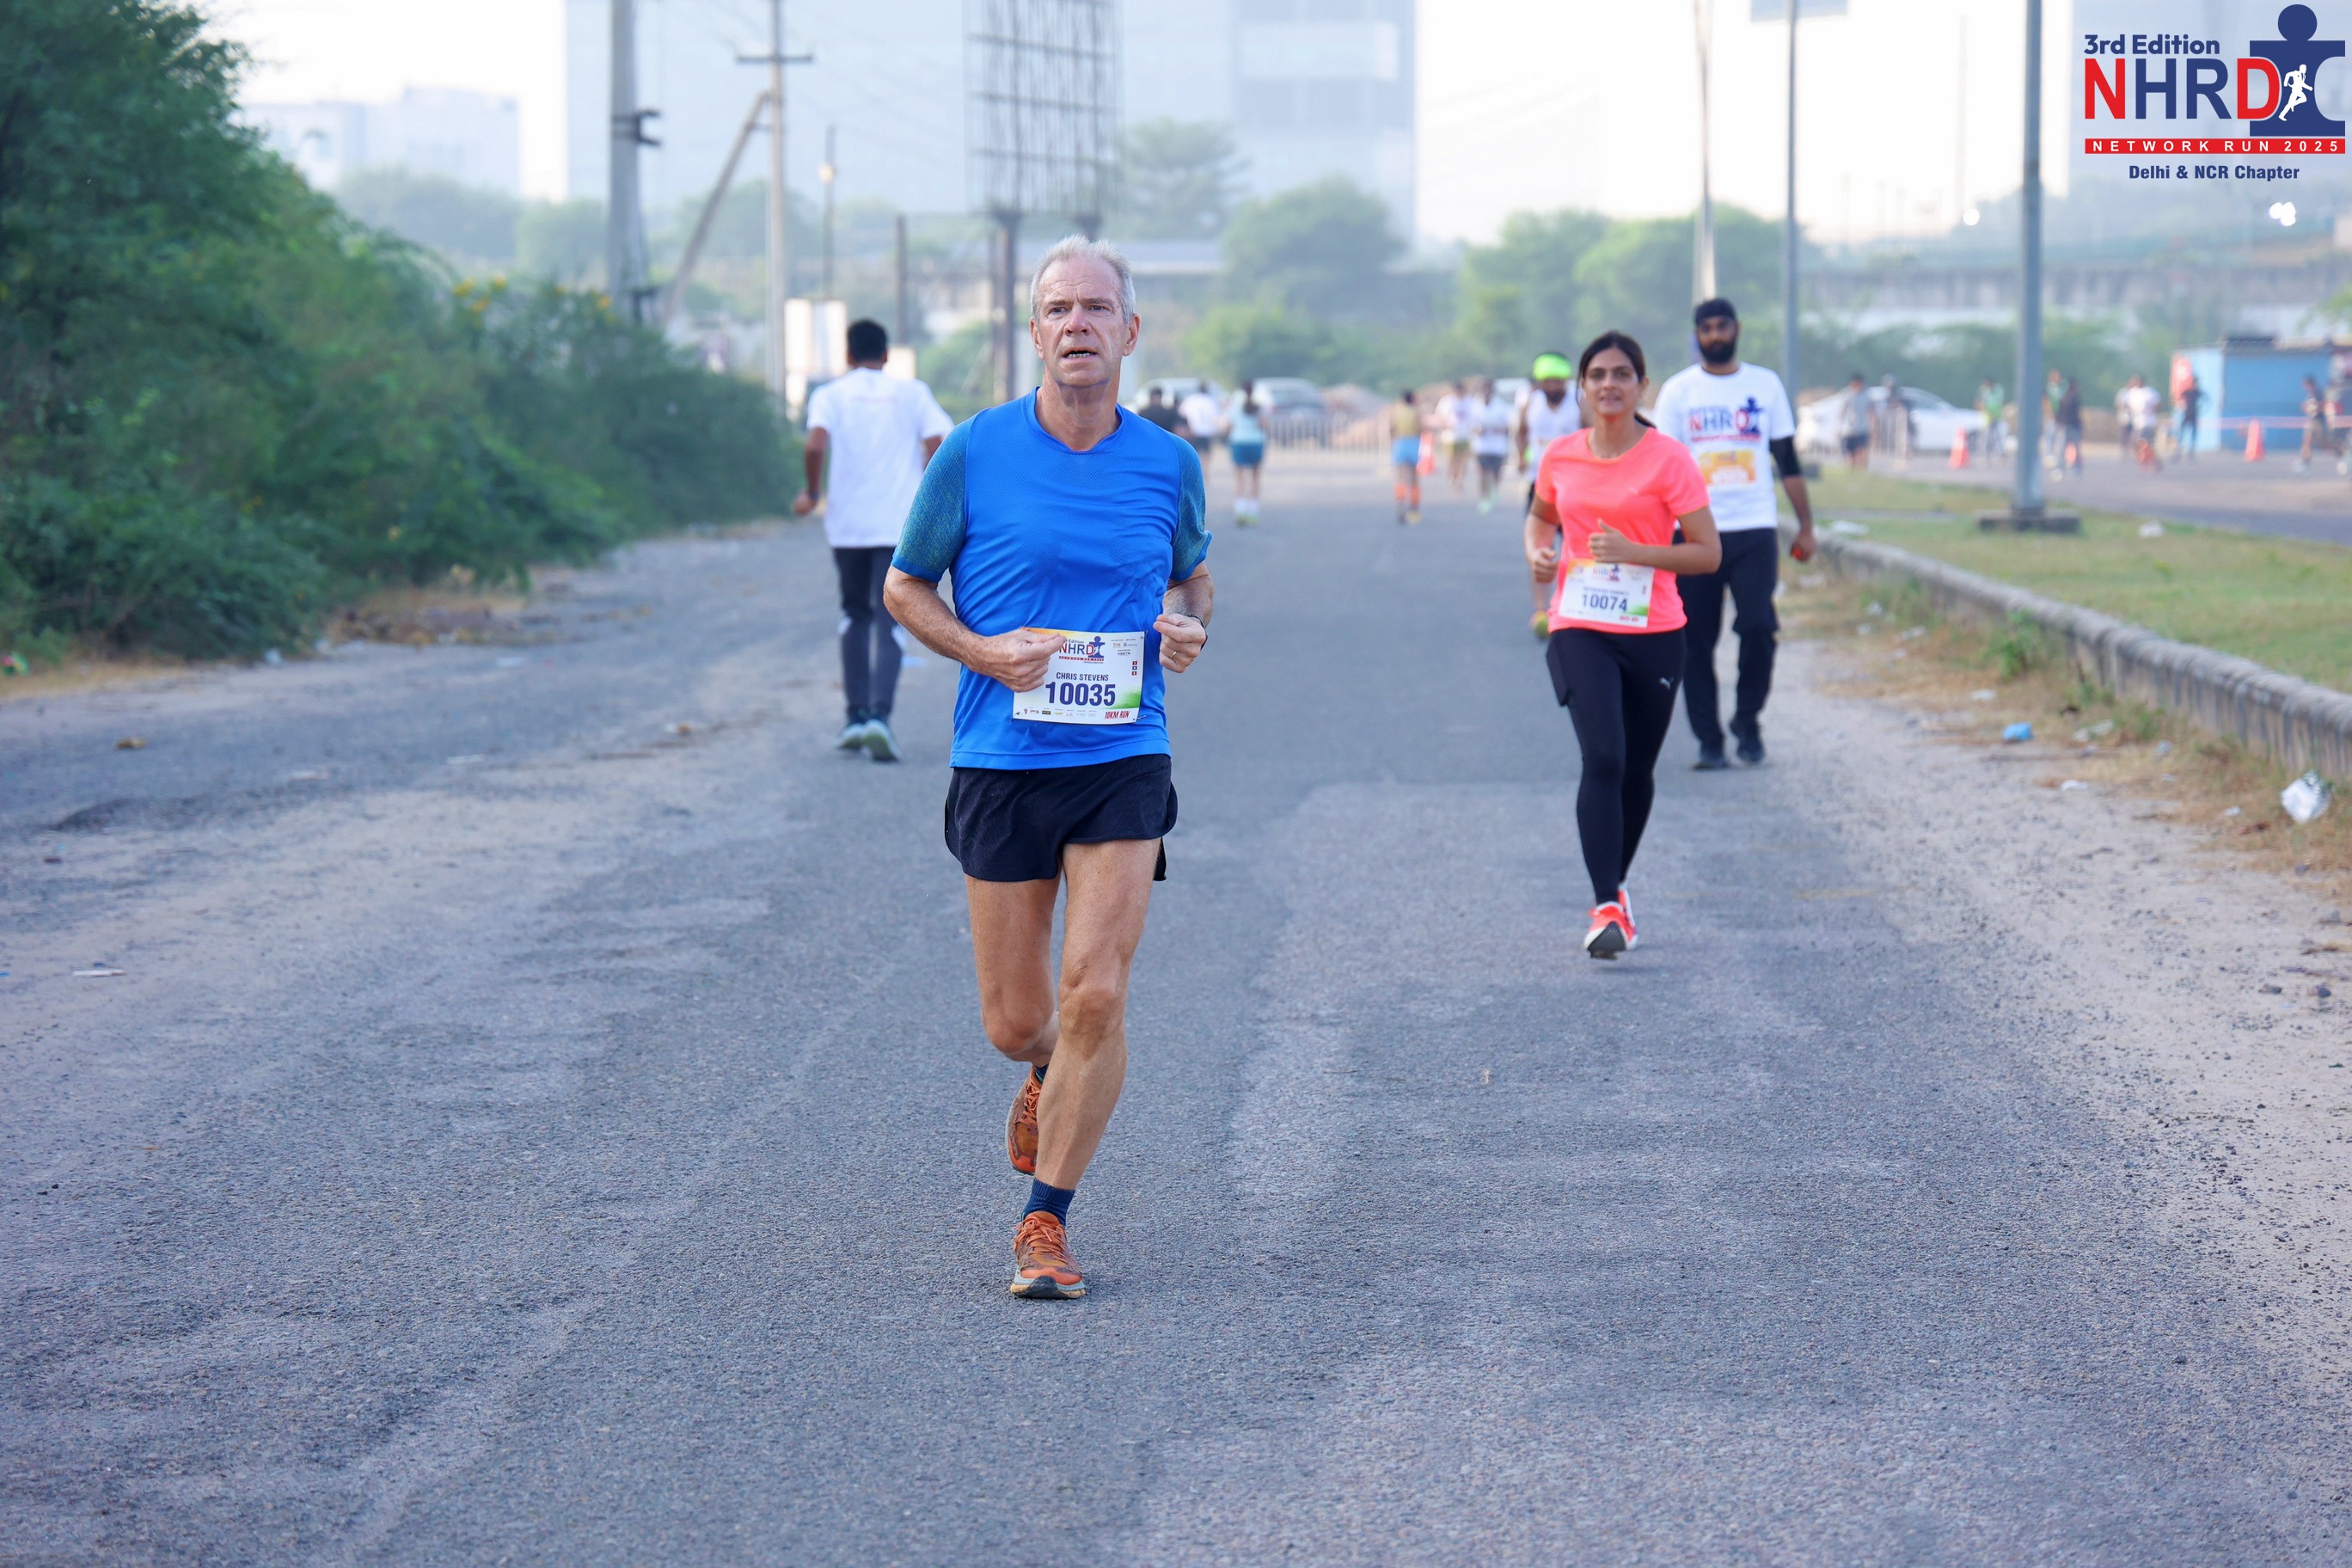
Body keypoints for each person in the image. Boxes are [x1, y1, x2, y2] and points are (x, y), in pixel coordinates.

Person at [884, 236, 1213, 1301]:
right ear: (1033, 332)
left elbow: (1193, 578)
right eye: (1059, 308)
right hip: (1003, 754)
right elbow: (904, 586)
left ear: (1131, 331)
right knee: (1021, 1021)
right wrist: (984, 652)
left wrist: (1186, 623)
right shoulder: (974, 451)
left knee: (1097, 995)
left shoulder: (1169, 463)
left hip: (1123, 750)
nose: (1078, 324)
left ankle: (1046, 1220)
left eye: (1097, 308)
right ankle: (1041, 1071)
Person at [1524, 330, 1720, 959]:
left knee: (1636, 769)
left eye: (1622, 374)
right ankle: (1606, 903)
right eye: (1598, 375)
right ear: (1582, 387)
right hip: (1580, 622)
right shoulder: (1560, 455)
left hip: (1655, 631)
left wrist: (1637, 552)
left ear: (1641, 386)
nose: (1609, 384)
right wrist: (1538, 552)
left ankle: (1617, 890)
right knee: (1603, 757)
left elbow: (1707, 553)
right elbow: (1540, 517)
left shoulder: (1669, 459)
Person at [1652, 297, 1816, 770]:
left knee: (1760, 627)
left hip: (1754, 528)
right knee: (1694, 642)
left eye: (1722, 326)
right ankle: (1709, 739)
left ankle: (1748, 720)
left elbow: (1787, 460)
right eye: (1706, 328)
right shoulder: (1679, 392)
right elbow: (1663, 469)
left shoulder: (1765, 385)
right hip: (1694, 534)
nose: (1715, 335)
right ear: (1697, 334)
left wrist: (1806, 526)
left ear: (1737, 328)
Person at [796, 318, 953, 762]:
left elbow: (815, 446)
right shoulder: (912, 393)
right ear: (886, 355)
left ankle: (854, 717)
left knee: (854, 615)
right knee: (892, 620)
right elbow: (940, 442)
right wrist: (931, 492)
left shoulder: (830, 395)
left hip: (848, 526)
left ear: (848, 355)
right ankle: (880, 718)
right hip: (899, 524)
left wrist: (812, 493)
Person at [1515, 352, 1583, 637]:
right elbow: (1521, 432)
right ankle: (1540, 609)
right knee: (1539, 548)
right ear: (1540, 382)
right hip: (1540, 485)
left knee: (1577, 548)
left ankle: (1573, 605)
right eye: (1547, 381)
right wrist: (1522, 456)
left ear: (1566, 379)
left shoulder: (1579, 403)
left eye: (1557, 380)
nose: (1553, 386)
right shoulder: (1531, 403)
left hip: (1575, 487)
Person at [1470, 377, 1515, 514]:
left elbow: (1509, 425)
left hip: (1497, 446)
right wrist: (1477, 430)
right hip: (1481, 446)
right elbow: (1471, 424)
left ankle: (1494, 492)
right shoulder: (1475, 405)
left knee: (1496, 472)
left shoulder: (1501, 406)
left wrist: (1498, 429)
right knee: (1482, 472)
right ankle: (1484, 497)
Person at [1228, 380, 1266, 524]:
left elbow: (1229, 426)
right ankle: (1253, 512)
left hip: (1239, 442)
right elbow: (1263, 425)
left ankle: (1240, 511)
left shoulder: (1235, 407)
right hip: (1256, 442)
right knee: (1255, 478)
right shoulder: (1259, 408)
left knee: (1239, 478)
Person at [1389, 388, 1424, 524]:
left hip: (1401, 444)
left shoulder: (1396, 412)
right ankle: (1414, 509)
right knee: (1414, 479)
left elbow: (1392, 429)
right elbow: (1420, 428)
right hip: (1413, 443)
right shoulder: (1416, 412)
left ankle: (1400, 506)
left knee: (1400, 479)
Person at [1440, 380, 1474, 494]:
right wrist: (1445, 425)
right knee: (1452, 460)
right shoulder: (1447, 402)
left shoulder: (1469, 401)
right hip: (1450, 437)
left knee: (1463, 460)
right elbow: (1440, 416)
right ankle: (1453, 479)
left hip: (1464, 436)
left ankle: (1459, 481)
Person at [2122, 374, 2162, 471]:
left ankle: (2148, 460)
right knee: (2138, 443)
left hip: (2148, 422)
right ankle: (2151, 460)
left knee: (2142, 441)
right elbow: (2125, 404)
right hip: (2137, 422)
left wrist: (2152, 412)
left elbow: (2158, 403)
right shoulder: (2132, 393)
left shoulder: (2149, 392)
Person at [1178, 383, 1224, 466]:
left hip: (1193, 431)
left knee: (1195, 452)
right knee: (1206, 454)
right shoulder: (1211, 400)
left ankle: (1197, 467)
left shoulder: (1190, 400)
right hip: (1207, 431)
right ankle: (1205, 469)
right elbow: (1215, 417)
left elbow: (1182, 413)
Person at [2297, 375, 2331, 474]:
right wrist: (2306, 407)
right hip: (2313, 422)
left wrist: (2313, 409)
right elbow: (2308, 407)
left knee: (2326, 444)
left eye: (2305, 384)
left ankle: (2343, 456)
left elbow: (2322, 405)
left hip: (2319, 422)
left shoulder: (2318, 393)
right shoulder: (2310, 395)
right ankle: (2305, 464)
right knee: (2307, 441)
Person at [1839, 374, 1872, 469]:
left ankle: (1862, 471)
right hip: (1849, 429)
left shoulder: (1866, 395)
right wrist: (1838, 427)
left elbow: (1871, 411)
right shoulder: (1847, 394)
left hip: (1862, 428)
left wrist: (1874, 428)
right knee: (1850, 454)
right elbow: (1842, 411)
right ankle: (1850, 471)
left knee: (1862, 451)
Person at [2055, 376, 2083, 474]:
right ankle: (2076, 468)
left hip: (2066, 425)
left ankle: (2061, 467)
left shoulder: (2064, 398)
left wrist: (2058, 423)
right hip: (2071, 426)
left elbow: (2059, 413)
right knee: (2074, 447)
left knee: (2062, 448)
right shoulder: (2074, 399)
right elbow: (2076, 414)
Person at [1976, 378, 2007, 463]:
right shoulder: (1983, 390)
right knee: (1986, 437)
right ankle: (1984, 455)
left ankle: (2000, 454)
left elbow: (1999, 402)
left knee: (1998, 436)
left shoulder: (1998, 390)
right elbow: (1980, 403)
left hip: (1997, 416)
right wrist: (1985, 412)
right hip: (1988, 417)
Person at [2177, 373, 2203, 459]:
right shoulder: (2187, 392)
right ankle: (2179, 450)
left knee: (2193, 434)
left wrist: (2200, 408)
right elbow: (2178, 399)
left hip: (2193, 415)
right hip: (2187, 414)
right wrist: (2182, 407)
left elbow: (2206, 400)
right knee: (2182, 433)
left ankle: (2191, 451)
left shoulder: (2197, 392)